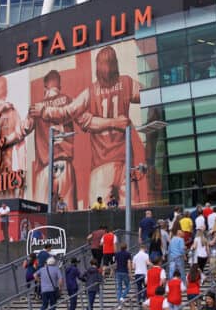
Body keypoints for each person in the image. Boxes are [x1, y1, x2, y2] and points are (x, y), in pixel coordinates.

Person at [32, 45, 144, 207]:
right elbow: (150, 94)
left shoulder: (90, 91)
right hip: (124, 159)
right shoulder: (127, 83)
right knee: (132, 209)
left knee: (98, 214)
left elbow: (67, 112)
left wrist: (45, 110)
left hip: (101, 163)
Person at [3, 70, 75, 208]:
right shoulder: (68, 100)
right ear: (59, 85)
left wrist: (3, 142)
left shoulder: (36, 107)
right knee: (68, 213)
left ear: (45, 87)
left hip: (45, 167)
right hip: (65, 164)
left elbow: (22, 131)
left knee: (41, 213)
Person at [114, 243, 132, 308]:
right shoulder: (128, 254)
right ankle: (122, 297)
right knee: (128, 286)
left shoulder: (117, 254)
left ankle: (120, 304)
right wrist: (130, 273)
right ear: (126, 248)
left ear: (120, 248)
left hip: (118, 272)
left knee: (119, 287)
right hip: (125, 272)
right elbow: (129, 263)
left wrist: (114, 271)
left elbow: (115, 264)